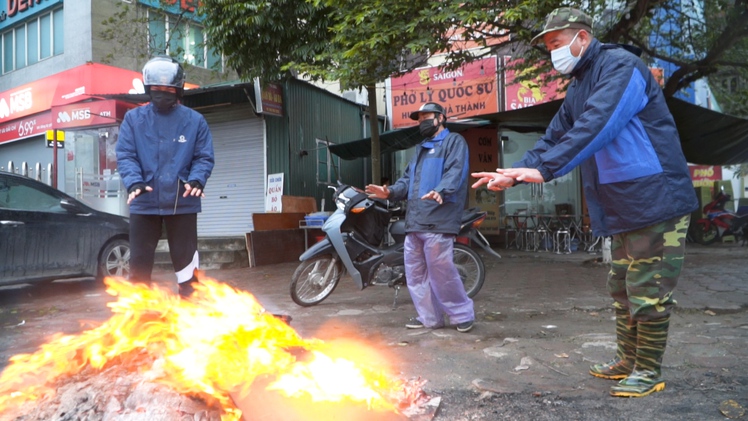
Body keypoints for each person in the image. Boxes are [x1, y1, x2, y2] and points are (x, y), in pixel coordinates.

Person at [472, 7, 698, 397]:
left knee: (648, 288)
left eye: (557, 43)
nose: (553, 53)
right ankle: (628, 360)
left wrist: (546, 170)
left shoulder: (621, 67)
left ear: (582, 37)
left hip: (655, 198)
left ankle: (648, 370)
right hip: (622, 203)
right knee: (621, 286)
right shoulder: (579, 85)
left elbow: (597, 125)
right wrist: (516, 170)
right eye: (548, 47)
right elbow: (555, 136)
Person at [365, 102, 475, 333]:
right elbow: (407, 181)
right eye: (419, 118)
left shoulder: (453, 142)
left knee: (442, 272)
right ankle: (430, 318)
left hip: (438, 219)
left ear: (440, 118)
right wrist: (390, 192)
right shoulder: (420, 149)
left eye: (426, 116)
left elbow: (456, 171)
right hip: (415, 222)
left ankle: (462, 315)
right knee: (415, 275)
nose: (422, 121)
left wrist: (442, 190)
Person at [116, 56, 215, 298]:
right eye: (157, 90)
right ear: (148, 89)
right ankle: (139, 316)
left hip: (182, 200)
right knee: (139, 264)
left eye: (168, 89)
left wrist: (196, 180)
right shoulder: (133, 119)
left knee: (187, 266)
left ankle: (190, 309)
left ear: (179, 90)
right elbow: (126, 155)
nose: (162, 94)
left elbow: (204, 156)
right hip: (144, 200)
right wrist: (134, 182)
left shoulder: (195, 121)